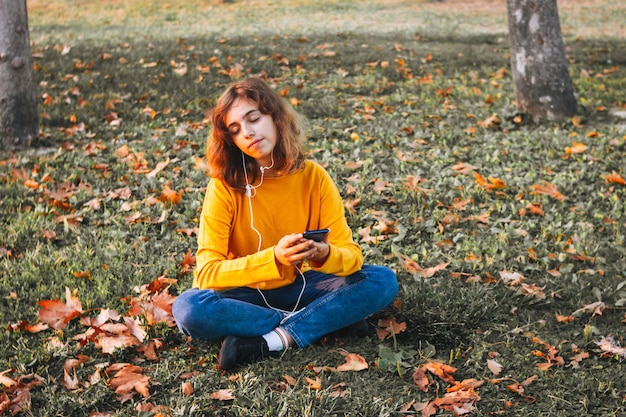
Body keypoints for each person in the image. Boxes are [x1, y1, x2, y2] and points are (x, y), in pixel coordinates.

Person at [172, 77, 398, 370]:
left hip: (304, 286)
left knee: (381, 280)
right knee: (189, 308)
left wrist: (324, 254)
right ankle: (325, 320)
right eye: (236, 130)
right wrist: (274, 258)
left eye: (254, 118)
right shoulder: (225, 186)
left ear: (275, 117)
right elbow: (206, 275)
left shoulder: (313, 177)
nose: (248, 133)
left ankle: (270, 340)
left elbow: (353, 258)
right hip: (244, 298)